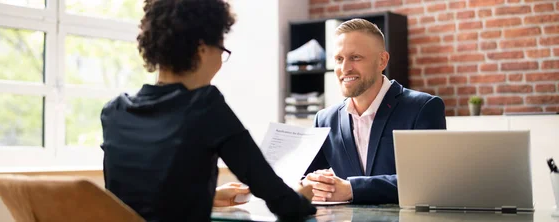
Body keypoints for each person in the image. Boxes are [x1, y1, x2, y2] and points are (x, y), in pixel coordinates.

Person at [100, 0, 316, 221]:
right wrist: (302, 196)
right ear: (202, 50)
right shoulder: (204, 105)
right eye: (222, 50)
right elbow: (281, 201)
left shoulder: (114, 111)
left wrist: (208, 196)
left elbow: (137, 200)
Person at [302, 18, 447, 204]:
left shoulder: (423, 108)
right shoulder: (324, 119)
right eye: (339, 59)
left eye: (355, 57)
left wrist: (351, 189)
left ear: (382, 61)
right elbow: (305, 181)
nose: (344, 68)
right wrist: (312, 183)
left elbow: (430, 182)